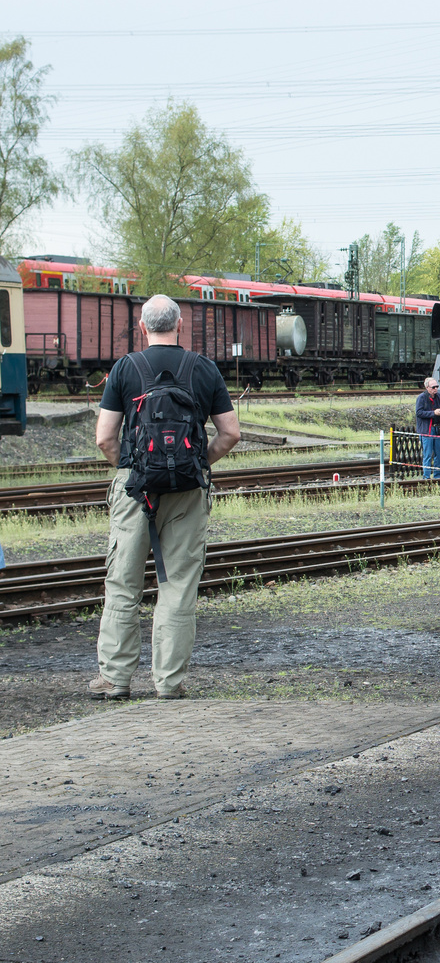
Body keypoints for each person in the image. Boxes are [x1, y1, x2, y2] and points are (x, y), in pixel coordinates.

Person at [90, 295, 240, 700]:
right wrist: (197, 464)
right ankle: (169, 684)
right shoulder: (204, 369)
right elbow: (230, 433)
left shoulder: (125, 368)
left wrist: (130, 467)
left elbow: (105, 436)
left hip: (134, 490)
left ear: (142, 328)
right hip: (188, 492)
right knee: (177, 585)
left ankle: (116, 680)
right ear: (181, 325)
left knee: (123, 583)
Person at [415, 377, 440, 479]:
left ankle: (439, 475)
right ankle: (426, 476)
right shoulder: (421, 398)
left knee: (439, 453)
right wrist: (433, 413)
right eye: (433, 387)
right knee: (428, 454)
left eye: (437, 386)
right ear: (427, 387)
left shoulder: (439, 397)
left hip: (438, 429)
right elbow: (419, 412)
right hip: (427, 430)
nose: (436, 389)